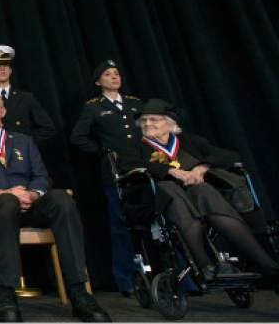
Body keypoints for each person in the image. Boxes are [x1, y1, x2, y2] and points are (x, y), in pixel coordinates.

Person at [0, 91, 109, 322]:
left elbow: (41, 176)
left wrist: (33, 193)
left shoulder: (24, 140)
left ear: (3, 111)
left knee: (62, 199)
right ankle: (7, 294)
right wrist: (3, 192)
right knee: (7, 202)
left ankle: (79, 292)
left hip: (29, 204)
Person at [116, 99, 279, 283]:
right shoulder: (134, 145)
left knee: (204, 191)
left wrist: (202, 168)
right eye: (144, 120)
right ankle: (204, 265)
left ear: (170, 123)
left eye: (154, 119)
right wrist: (170, 171)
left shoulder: (187, 140)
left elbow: (228, 155)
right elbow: (127, 164)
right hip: (160, 197)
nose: (147, 124)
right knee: (172, 194)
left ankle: (268, 266)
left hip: (195, 192)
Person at [69, 60, 141, 294]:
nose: (114, 77)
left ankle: (183, 279)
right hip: (116, 173)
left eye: (116, 73)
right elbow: (78, 137)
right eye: (108, 74)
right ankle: (126, 281)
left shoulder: (135, 104)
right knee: (121, 225)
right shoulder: (93, 107)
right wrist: (102, 152)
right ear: (99, 81)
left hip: (144, 169)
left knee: (162, 222)